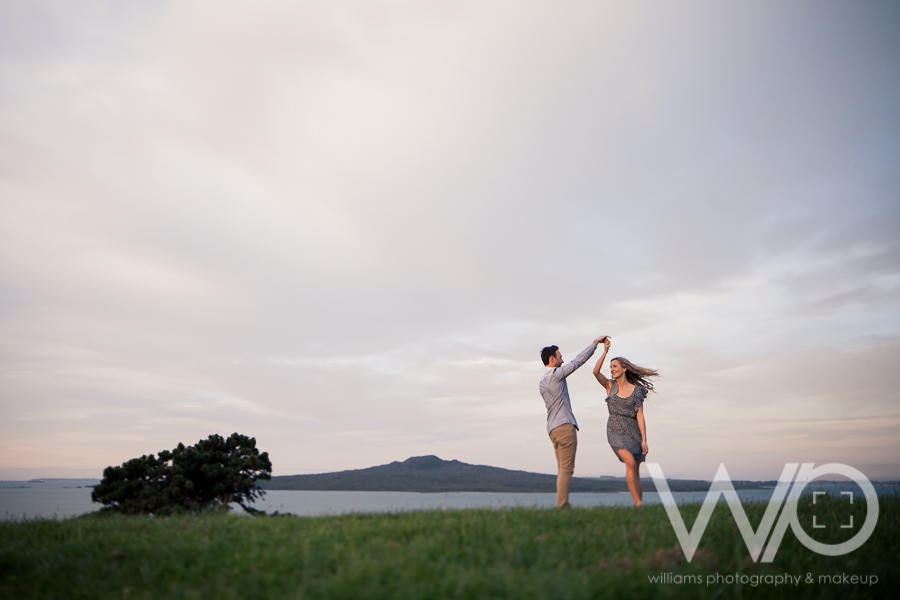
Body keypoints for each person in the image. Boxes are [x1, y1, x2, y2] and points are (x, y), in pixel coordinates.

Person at [539, 335, 608, 508]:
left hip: (552, 430)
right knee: (567, 469)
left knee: (562, 469)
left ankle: (562, 504)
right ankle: (562, 505)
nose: (562, 360)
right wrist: (595, 343)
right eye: (560, 356)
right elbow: (578, 361)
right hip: (564, 426)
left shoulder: (542, 381)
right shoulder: (555, 375)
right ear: (552, 359)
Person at [592, 339, 659, 506]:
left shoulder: (637, 391)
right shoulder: (610, 386)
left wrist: (644, 439)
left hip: (633, 430)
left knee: (635, 471)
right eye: (611, 367)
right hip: (615, 429)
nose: (612, 369)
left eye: (615, 366)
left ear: (624, 368)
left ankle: (639, 507)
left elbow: (640, 415)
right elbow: (595, 372)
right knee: (629, 462)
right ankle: (637, 503)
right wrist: (605, 352)